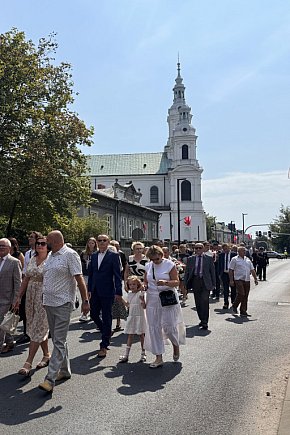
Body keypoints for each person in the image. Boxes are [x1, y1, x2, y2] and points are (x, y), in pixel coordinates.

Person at [38, 231, 90, 393]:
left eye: (48, 240)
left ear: (56, 240)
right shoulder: (51, 256)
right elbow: (47, 279)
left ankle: (50, 378)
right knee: (58, 340)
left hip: (63, 303)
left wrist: (85, 301)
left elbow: (79, 278)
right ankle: (65, 371)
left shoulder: (70, 254)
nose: (45, 243)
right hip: (49, 303)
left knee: (59, 340)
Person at [144, 245, 186, 368]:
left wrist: (166, 283)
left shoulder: (169, 265)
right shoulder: (148, 266)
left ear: (161, 256)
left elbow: (177, 282)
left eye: (157, 259)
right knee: (154, 327)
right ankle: (158, 357)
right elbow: (146, 281)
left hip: (167, 298)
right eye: (152, 259)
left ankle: (175, 345)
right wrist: (144, 286)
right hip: (152, 298)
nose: (155, 261)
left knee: (169, 326)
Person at [14, 236, 50, 375]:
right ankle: (47, 354)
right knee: (35, 327)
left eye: (43, 243)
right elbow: (26, 278)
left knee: (37, 327)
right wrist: (19, 296)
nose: (39, 245)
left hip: (44, 297)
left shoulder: (51, 259)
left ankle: (28, 363)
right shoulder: (32, 258)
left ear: (48, 246)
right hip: (30, 296)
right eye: (37, 243)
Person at [88, 234, 122, 358]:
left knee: (107, 316)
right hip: (95, 290)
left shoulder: (113, 256)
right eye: (99, 240)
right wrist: (89, 289)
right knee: (93, 314)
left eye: (104, 240)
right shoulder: (94, 255)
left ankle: (104, 345)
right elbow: (91, 274)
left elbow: (117, 275)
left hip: (108, 290)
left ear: (108, 242)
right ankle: (106, 331)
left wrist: (118, 291)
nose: (102, 242)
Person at [184, 242, 215, 330]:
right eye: (196, 248)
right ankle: (201, 319)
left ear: (203, 249)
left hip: (205, 281)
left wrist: (213, 284)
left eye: (200, 248)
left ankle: (205, 321)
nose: (198, 250)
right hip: (195, 281)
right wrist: (185, 284)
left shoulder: (208, 258)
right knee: (198, 302)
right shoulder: (191, 259)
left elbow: (212, 271)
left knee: (205, 301)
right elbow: (187, 272)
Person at [18, 231, 42, 345]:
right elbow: (25, 270)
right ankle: (27, 332)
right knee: (26, 308)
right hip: (28, 282)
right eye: (29, 237)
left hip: (39, 284)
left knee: (39, 309)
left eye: (32, 237)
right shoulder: (28, 253)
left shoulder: (42, 252)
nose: (29, 239)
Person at [0, 238, 22, 353]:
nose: (1, 247)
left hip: (7, 298)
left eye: (3, 246)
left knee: (0, 323)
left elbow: (18, 282)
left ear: (9, 248)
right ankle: (9, 342)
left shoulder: (14, 262)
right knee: (4, 323)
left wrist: (16, 300)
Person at [119, 276, 146, 363]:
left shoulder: (141, 294)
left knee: (142, 335)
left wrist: (143, 301)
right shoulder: (130, 294)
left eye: (134, 284)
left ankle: (143, 354)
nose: (132, 286)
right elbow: (128, 305)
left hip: (140, 316)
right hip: (132, 316)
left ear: (138, 284)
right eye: (130, 284)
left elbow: (144, 306)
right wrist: (121, 300)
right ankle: (126, 355)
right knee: (130, 335)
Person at [229, 246, 258, 317]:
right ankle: (234, 306)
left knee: (245, 295)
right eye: (242, 251)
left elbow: (252, 269)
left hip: (247, 279)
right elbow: (231, 270)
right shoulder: (234, 259)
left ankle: (243, 310)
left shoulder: (247, 259)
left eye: (244, 251)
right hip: (238, 279)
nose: (244, 252)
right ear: (238, 252)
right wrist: (231, 280)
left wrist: (255, 278)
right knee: (241, 293)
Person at [79, 237, 97, 322]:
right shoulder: (83, 253)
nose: (91, 245)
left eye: (92, 243)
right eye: (89, 243)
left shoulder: (96, 253)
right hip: (85, 275)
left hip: (93, 276)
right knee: (84, 294)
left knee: (91, 294)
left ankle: (93, 312)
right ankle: (84, 313)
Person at [218, 243, 236, 309]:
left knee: (233, 288)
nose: (225, 250)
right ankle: (226, 303)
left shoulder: (234, 254)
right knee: (225, 289)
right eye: (224, 249)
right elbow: (219, 265)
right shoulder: (221, 255)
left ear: (229, 247)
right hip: (224, 274)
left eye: (226, 248)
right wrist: (219, 274)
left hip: (232, 274)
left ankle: (233, 301)